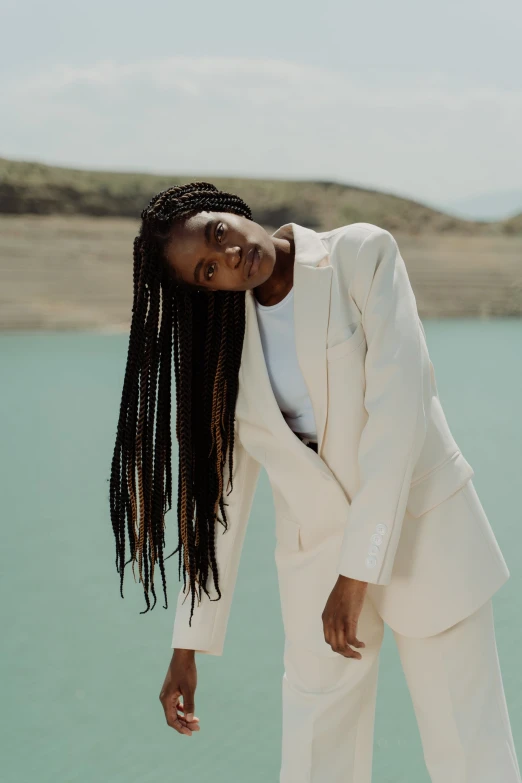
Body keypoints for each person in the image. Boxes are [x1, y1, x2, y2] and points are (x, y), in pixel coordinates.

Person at [109, 181, 521, 782]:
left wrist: (357, 572)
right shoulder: (229, 353)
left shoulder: (360, 254)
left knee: (468, 754)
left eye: (218, 234)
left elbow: (399, 413)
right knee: (313, 762)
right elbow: (220, 499)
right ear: (207, 291)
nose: (226, 258)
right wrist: (187, 644)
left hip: (425, 538)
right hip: (315, 571)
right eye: (206, 271)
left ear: (230, 210)